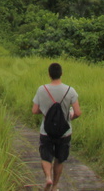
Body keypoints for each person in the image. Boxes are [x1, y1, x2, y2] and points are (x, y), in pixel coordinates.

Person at [32, 62, 81, 191]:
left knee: (46, 156)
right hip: (64, 132)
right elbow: (78, 112)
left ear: (49, 74)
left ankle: (48, 177)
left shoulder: (42, 89)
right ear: (61, 74)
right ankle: (55, 186)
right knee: (59, 159)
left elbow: (35, 110)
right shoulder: (70, 90)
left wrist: (46, 112)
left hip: (46, 131)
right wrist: (69, 116)